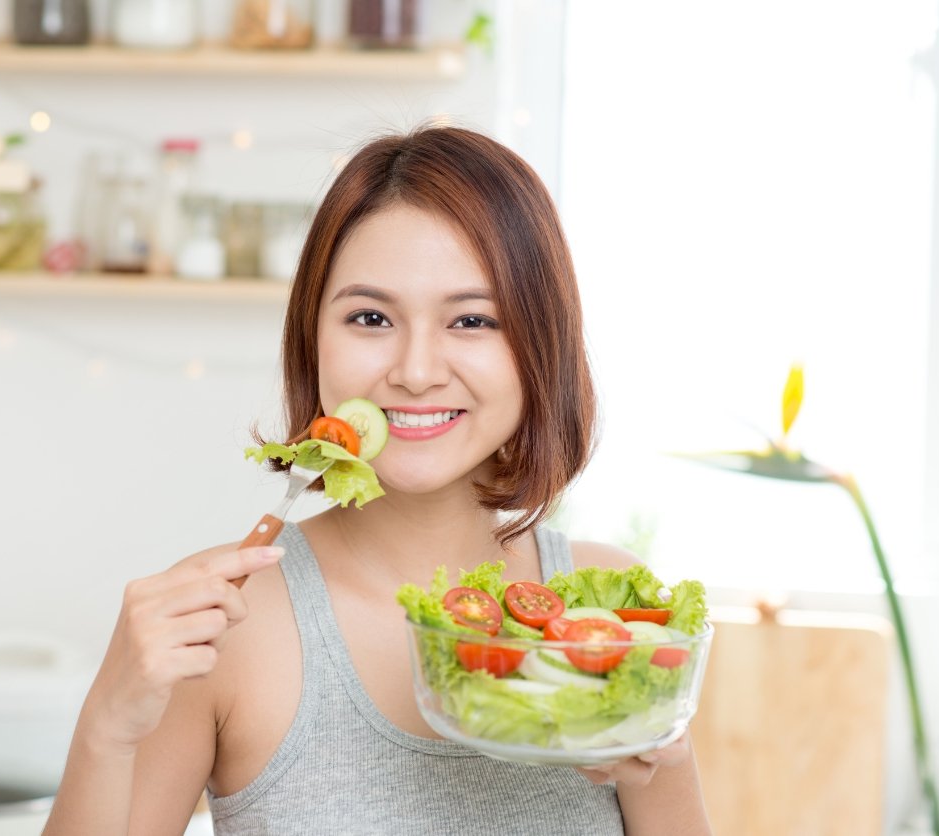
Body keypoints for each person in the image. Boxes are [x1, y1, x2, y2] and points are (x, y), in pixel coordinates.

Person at [42, 126, 712, 835]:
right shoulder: (227, 624)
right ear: (313, 339)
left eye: (472, 319)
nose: (417, 371)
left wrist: (658, 746)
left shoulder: (615, 622)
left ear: (538, 346)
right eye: (370, 317)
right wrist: (107, 727)